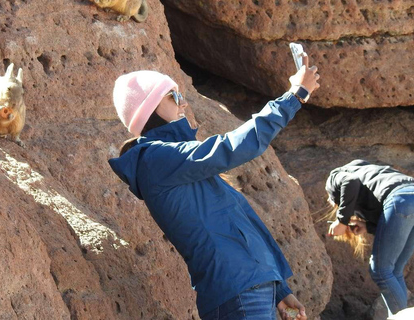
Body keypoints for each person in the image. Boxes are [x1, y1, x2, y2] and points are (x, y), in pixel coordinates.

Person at [108, 53, 320, 320]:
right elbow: (230, 148)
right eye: (173, 96)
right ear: (148, 109)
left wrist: (279, 290)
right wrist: (295, 95)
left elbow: (237, 227)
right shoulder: (154, 159)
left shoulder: (175, 160)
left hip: (249, 289)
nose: (183, 102)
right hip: (237, 292)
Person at [326, 159, 414, 317]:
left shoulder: (335, 177)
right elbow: (394, 222)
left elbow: (349, 181)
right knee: (395, 270)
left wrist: (341, 220)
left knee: (380, 270)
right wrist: (367, 225)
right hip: (407, 196)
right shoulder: (370, 174)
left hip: (400, 199)